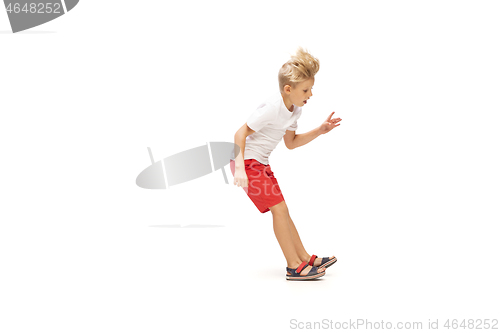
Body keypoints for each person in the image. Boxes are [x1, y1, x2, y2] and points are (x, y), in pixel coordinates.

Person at [230, 47, 342, 280]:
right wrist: (240, 168)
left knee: (284, 211)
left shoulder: (295, 110)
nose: (310, 94)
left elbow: (290, 143)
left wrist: (320, 131)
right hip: (247, 162)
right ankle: (293, 266)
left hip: (260, 163)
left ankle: (303, 257)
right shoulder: (272, 107)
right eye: (305, 89)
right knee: (279, 210)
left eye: (311, 89)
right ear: (288, 89)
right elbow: (239, 134)